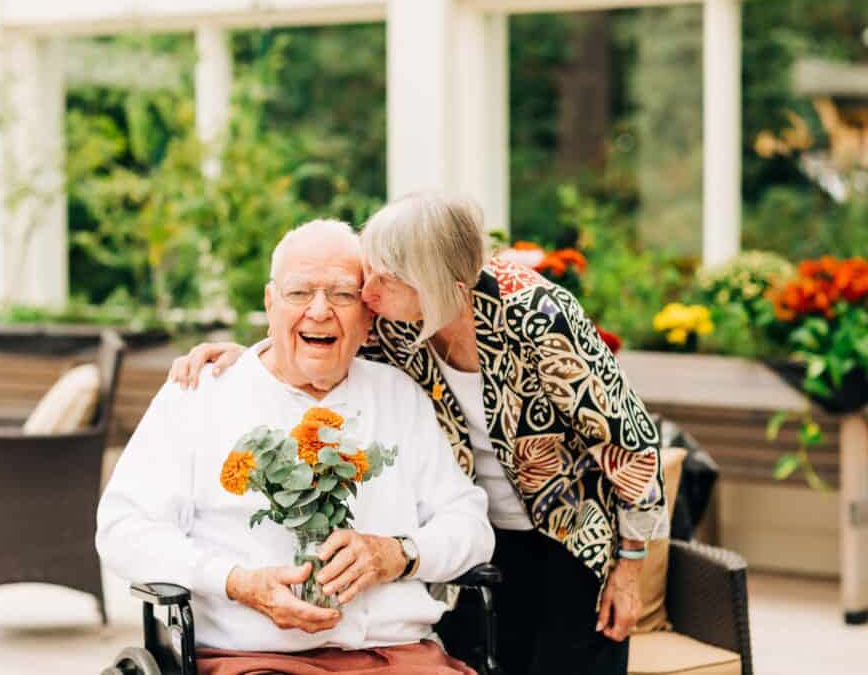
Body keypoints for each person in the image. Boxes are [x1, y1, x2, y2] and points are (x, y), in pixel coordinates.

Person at [169, 192, 668, 675]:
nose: (367, 293)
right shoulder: (398, 323)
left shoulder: (540, 320)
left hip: (569, 532)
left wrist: (630, 567)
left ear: (434, 284)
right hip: (480, 538)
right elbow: (314, 338)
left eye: (384, 280)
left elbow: (632, 445)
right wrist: (245, 357)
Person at [97, 219, 493, 675]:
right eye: (299, 292)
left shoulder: (399, 395)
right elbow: (122, 529)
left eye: (343, 294)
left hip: (399, 656)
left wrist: (398, 554)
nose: (320, 311)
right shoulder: (200, 394)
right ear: (270, 304)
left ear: (368, 316)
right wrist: (234, 582)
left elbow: (469, 527)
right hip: (254, 660)